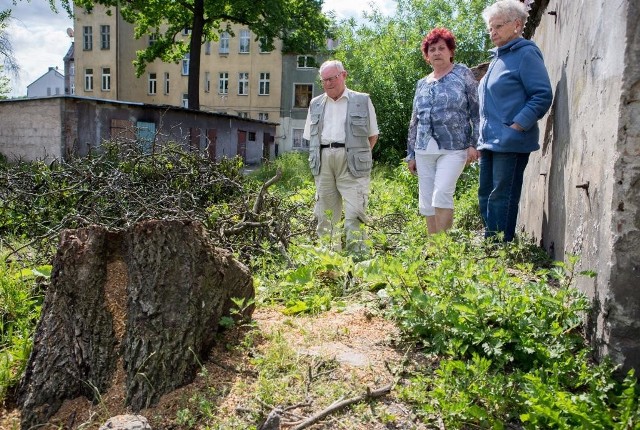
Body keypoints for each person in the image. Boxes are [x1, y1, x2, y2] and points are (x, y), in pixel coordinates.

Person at [478, 0, 552, 242]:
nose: (493, 32)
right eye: (490, 28)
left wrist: (517, 125)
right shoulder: (497, 59)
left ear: (517, 25)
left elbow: (541, 95)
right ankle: (492, 242)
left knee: (501, 195)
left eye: (498, 26)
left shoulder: (525, 53)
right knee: (485, 194)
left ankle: (499, 247)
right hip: (489, 141)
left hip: (510, 140)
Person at [406, 27, 480, 234]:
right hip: (423, 150)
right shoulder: (422, 83)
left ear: (450, 51)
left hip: (455, 147)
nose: (437, 52)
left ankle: (443, 248)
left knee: (442, 194)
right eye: (432, 49)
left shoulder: (462, 74)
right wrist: (410, 154)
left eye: (441, 48)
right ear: (427, 56)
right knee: (427, 200)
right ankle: (433, 246)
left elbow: (477, 111)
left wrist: (474, 143)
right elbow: (414, 121)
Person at [303, 60, 379, 252]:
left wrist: (357, 156)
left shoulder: (362, 100)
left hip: (352, 160)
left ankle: (358, 259)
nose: (328, 83)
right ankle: (330, 263)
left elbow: (372, 135)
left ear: (343, 75)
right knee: (326, 215)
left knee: (355, 213)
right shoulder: (315, 103)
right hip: (324, 161)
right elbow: (309, 137)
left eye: (333, 78)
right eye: (324, 80)